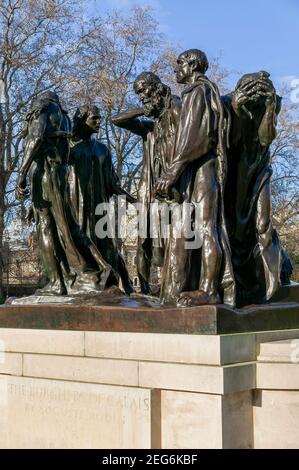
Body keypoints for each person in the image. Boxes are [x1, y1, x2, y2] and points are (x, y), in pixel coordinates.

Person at [155, 49, 235, 307]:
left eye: (179, 63)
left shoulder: (196, 92)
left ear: (192, 65)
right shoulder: (206, 91)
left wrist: (172, 171)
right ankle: (201, 285)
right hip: (200, 167)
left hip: (201, 167)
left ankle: (210, 290)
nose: (176, 69)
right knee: (201, 228)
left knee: (205, 227)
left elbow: (193, 139)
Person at [16, 92, 111, 295]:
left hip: (44, 171)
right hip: (57, 174)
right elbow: (65, 156)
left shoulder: (44, 109)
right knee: (68, 226)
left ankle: (57, 282)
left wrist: (21, 174)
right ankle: (96, 268)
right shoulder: (65, 118)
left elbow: (35, 138)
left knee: (46, 227)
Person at [112, 73, 192, 297]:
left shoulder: (177, 110)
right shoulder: (150, 128)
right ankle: (143, 288)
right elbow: (116, 120)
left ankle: (171, 285)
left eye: (143, 91)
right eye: (138, 94)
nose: (141, 97)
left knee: (171, 238)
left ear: (156, 87)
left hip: (172, 187)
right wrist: (143, 110)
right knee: (143, 239)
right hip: (148, 189)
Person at [223, 71, 292, 305]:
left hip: (258, 173)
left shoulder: (270, 103)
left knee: (263, 223)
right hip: (232, 177)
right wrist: (238, 109)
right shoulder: (226, 103)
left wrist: (271, 105)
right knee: (234, 228)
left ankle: (271, 284)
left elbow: (266, 138)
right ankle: (235, 284)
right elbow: (228, 143)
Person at [68, 104, 135, 294]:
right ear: (83, 121)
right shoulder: (69, 147)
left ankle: (125, 283)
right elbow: (56, 177)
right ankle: (82, 282)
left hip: (100, 207)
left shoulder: (103, 150)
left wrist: (133, 201)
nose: (99, 122)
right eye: (94, 118)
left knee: (108, 246)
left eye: (99, 118)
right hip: (76, 208)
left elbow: (112, 183)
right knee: (81, 245)